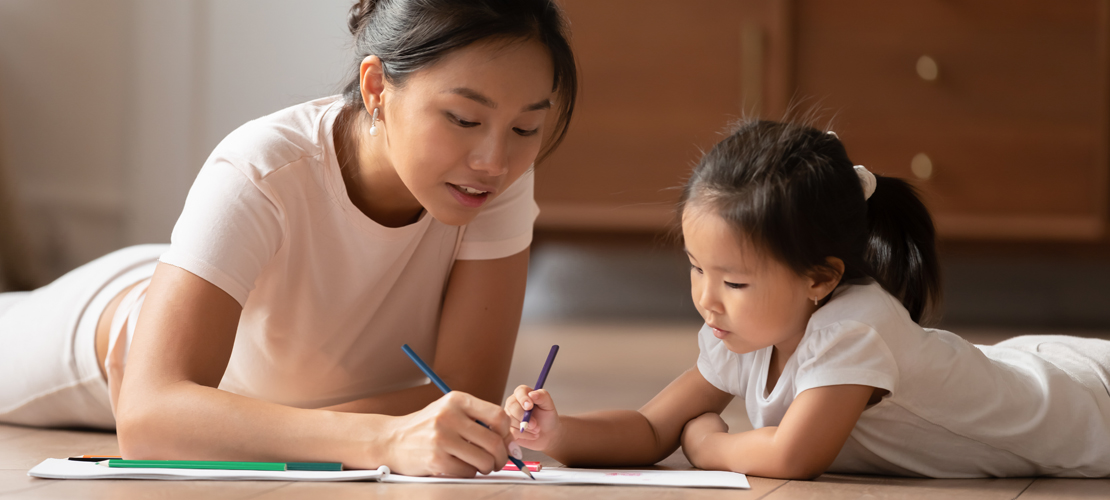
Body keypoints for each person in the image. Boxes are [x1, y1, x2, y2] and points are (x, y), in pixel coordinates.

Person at [0, 0, 576, 477]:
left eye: (526, 127)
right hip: (112, 323)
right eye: (463, 119)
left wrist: (258, 427)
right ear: (376, 87)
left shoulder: (494, 179)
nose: (495, 160)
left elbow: (460, 394)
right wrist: (380, 440)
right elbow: (150, 416)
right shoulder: (263, 168)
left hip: (247, 317)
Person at [505, 119, 1110, 479]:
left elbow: (795, 455)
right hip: (1022, 364)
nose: (707, 302)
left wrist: (706, 444)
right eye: (695, 269)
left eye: (734, 281)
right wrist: (556, 434)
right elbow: (647, 426)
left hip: (1085, 411)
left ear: (819, 279)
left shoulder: (855, 323)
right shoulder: (746, 327)